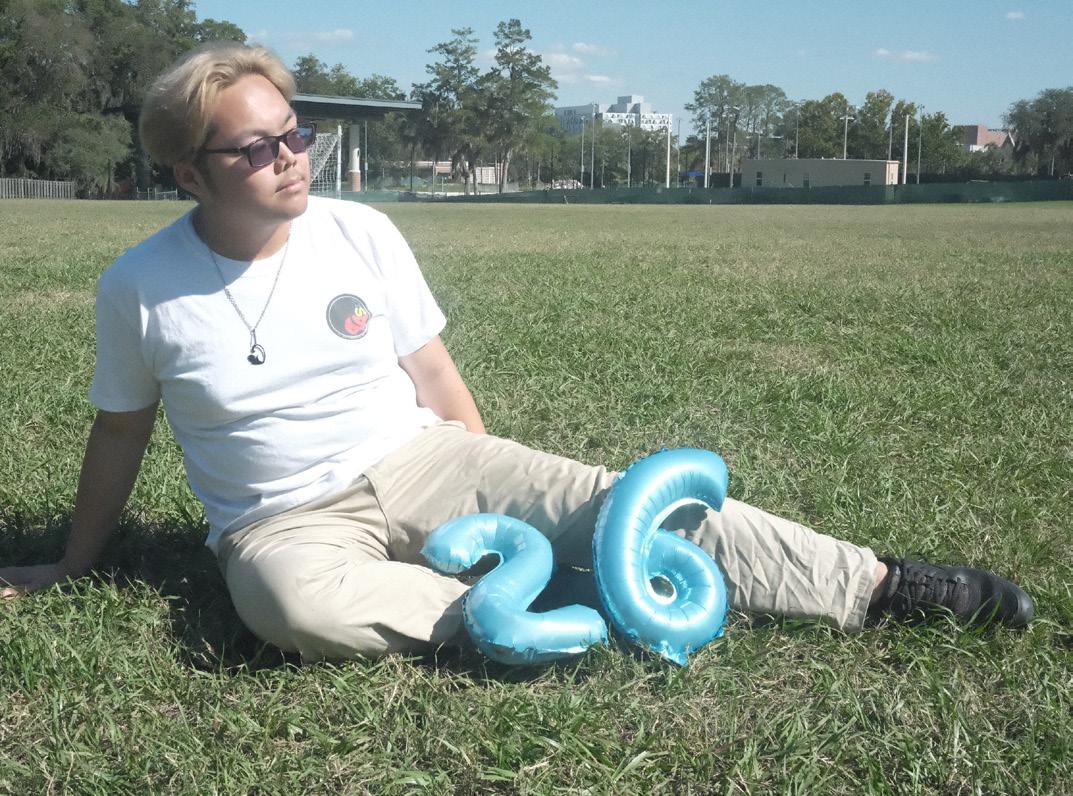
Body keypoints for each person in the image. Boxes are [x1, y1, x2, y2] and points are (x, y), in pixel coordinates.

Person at [0, 43, 1034, 660]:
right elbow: (120, 434)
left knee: (625, 503)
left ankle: (876, 587)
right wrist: (73, 561)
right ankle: (566, 606)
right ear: (190, 172)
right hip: (283, 520)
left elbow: (432, 374)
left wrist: (491, 485)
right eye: (257, 147)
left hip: (422, 458)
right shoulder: (140, 285)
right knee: (286, 608)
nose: (290, 157)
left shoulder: (360, 231)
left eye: (296, 132)